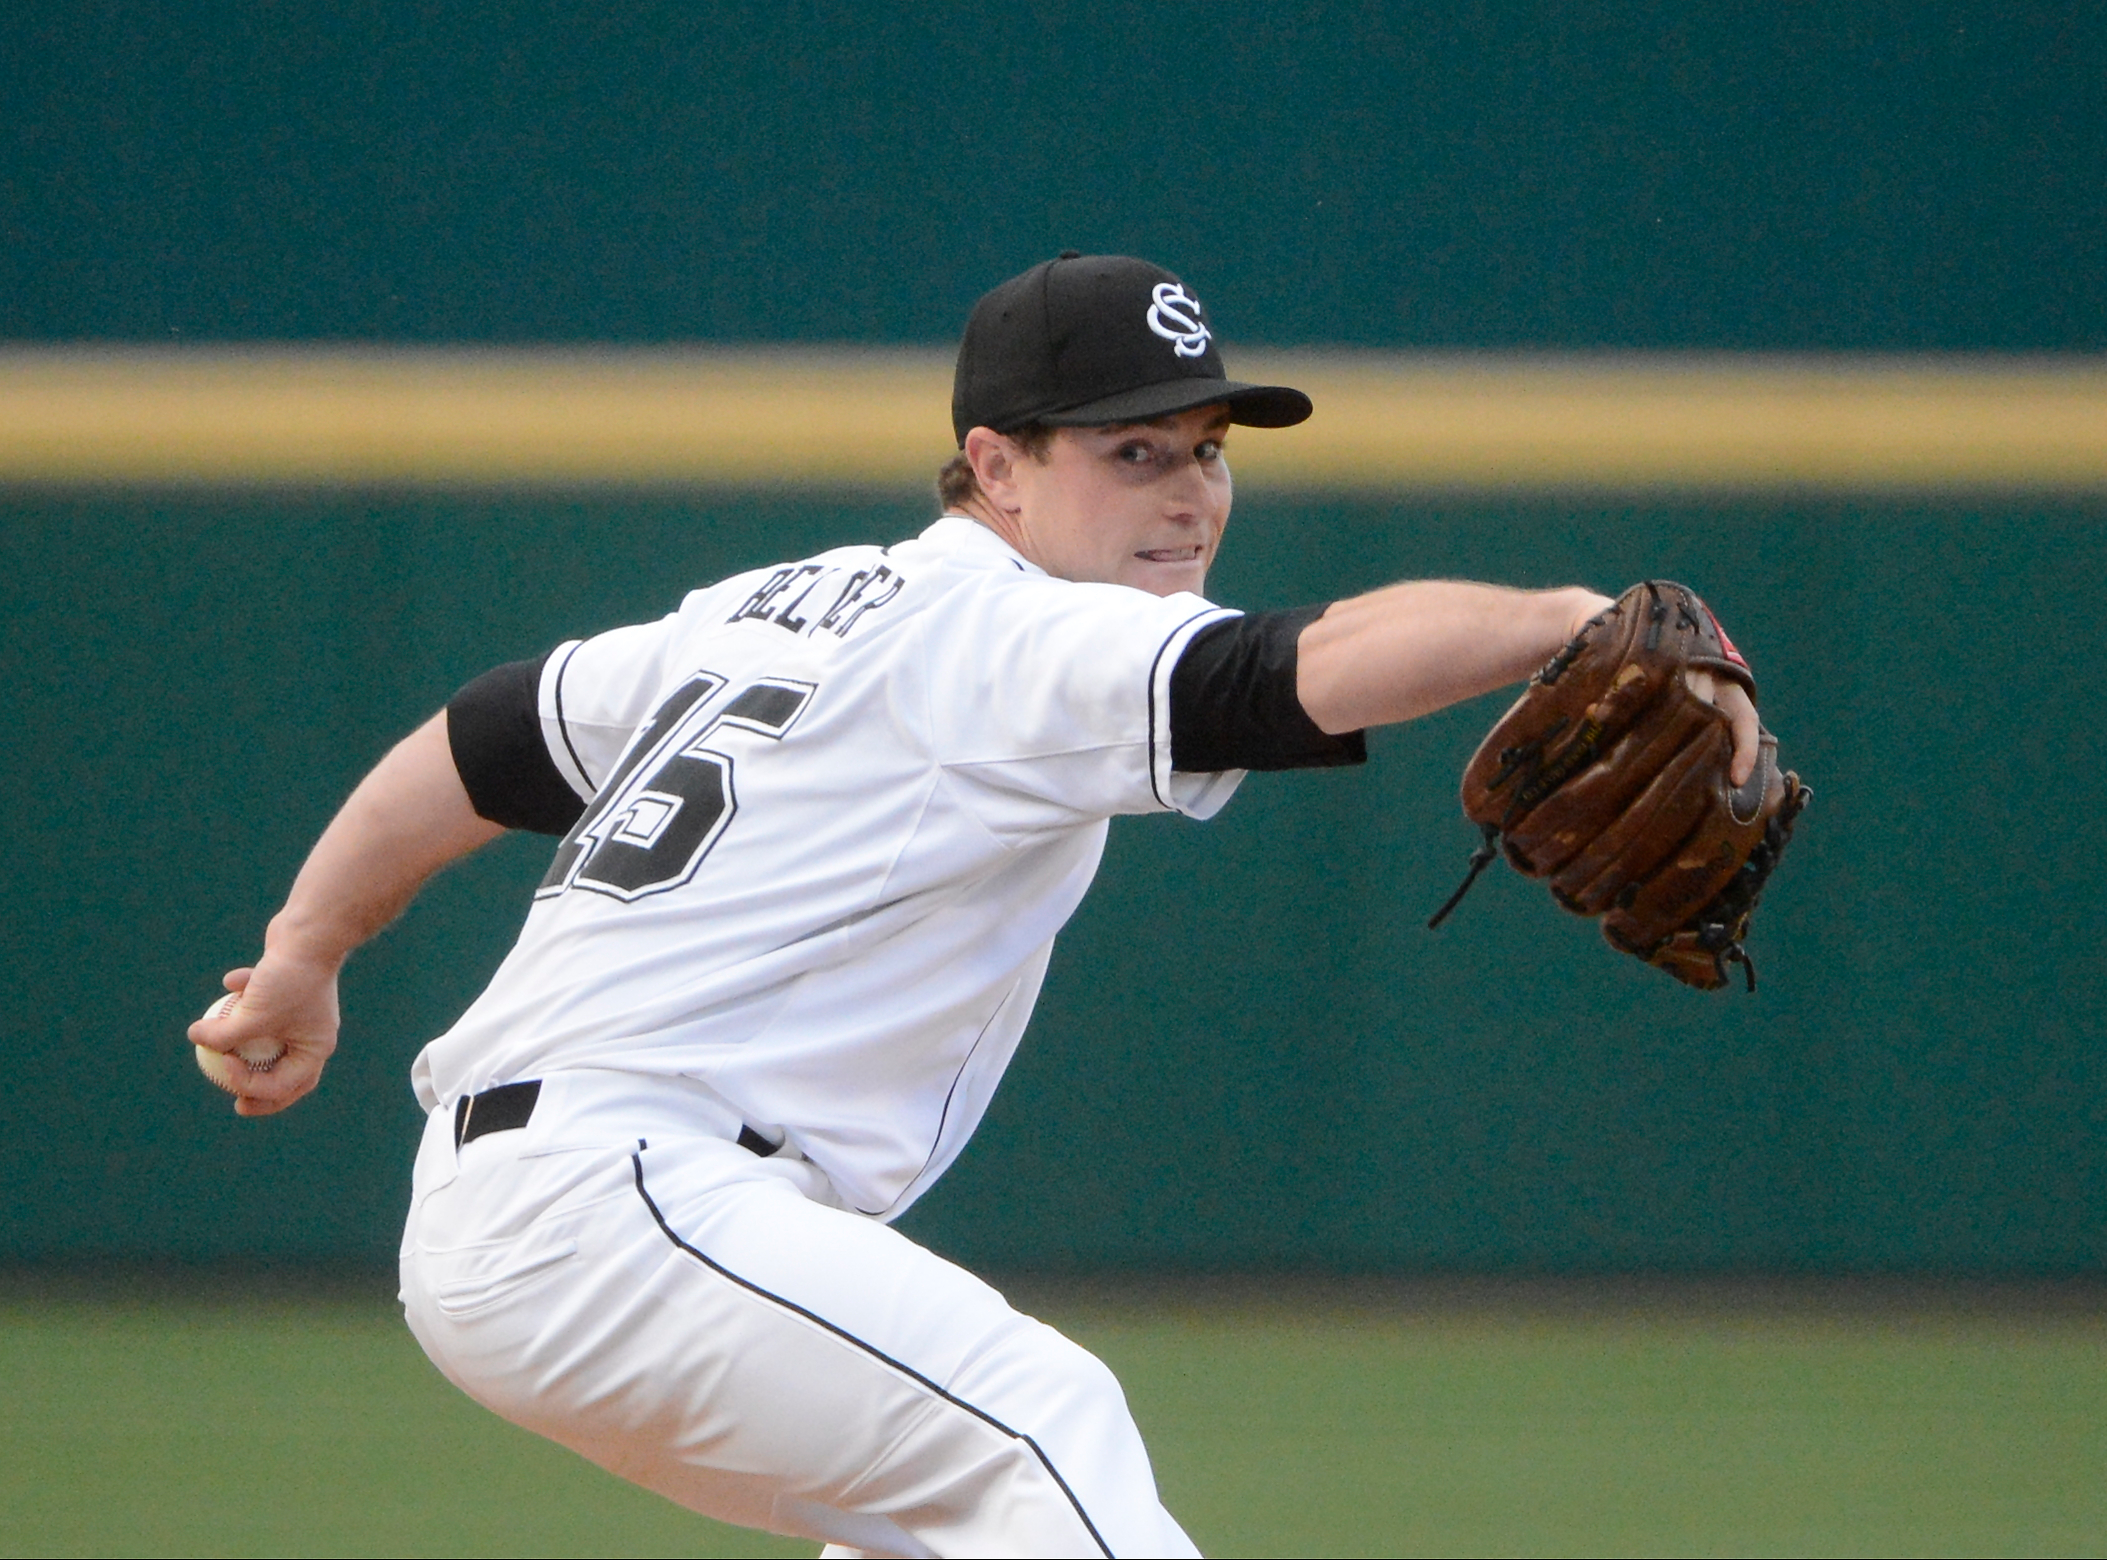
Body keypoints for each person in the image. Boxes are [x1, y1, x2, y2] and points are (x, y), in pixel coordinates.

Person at [191, 253, 1758, 1558]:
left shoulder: (771, 606)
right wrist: (1566, 619)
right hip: (625, 1207)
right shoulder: (1010, 638)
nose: (1187, 492)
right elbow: (1297, 665)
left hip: (569, 1217)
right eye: (1129, 451)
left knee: (934, 1524)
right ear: (994, 466)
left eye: (1206, 448)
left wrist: (302, 958)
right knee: (1039, 1431)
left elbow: (478, 736)